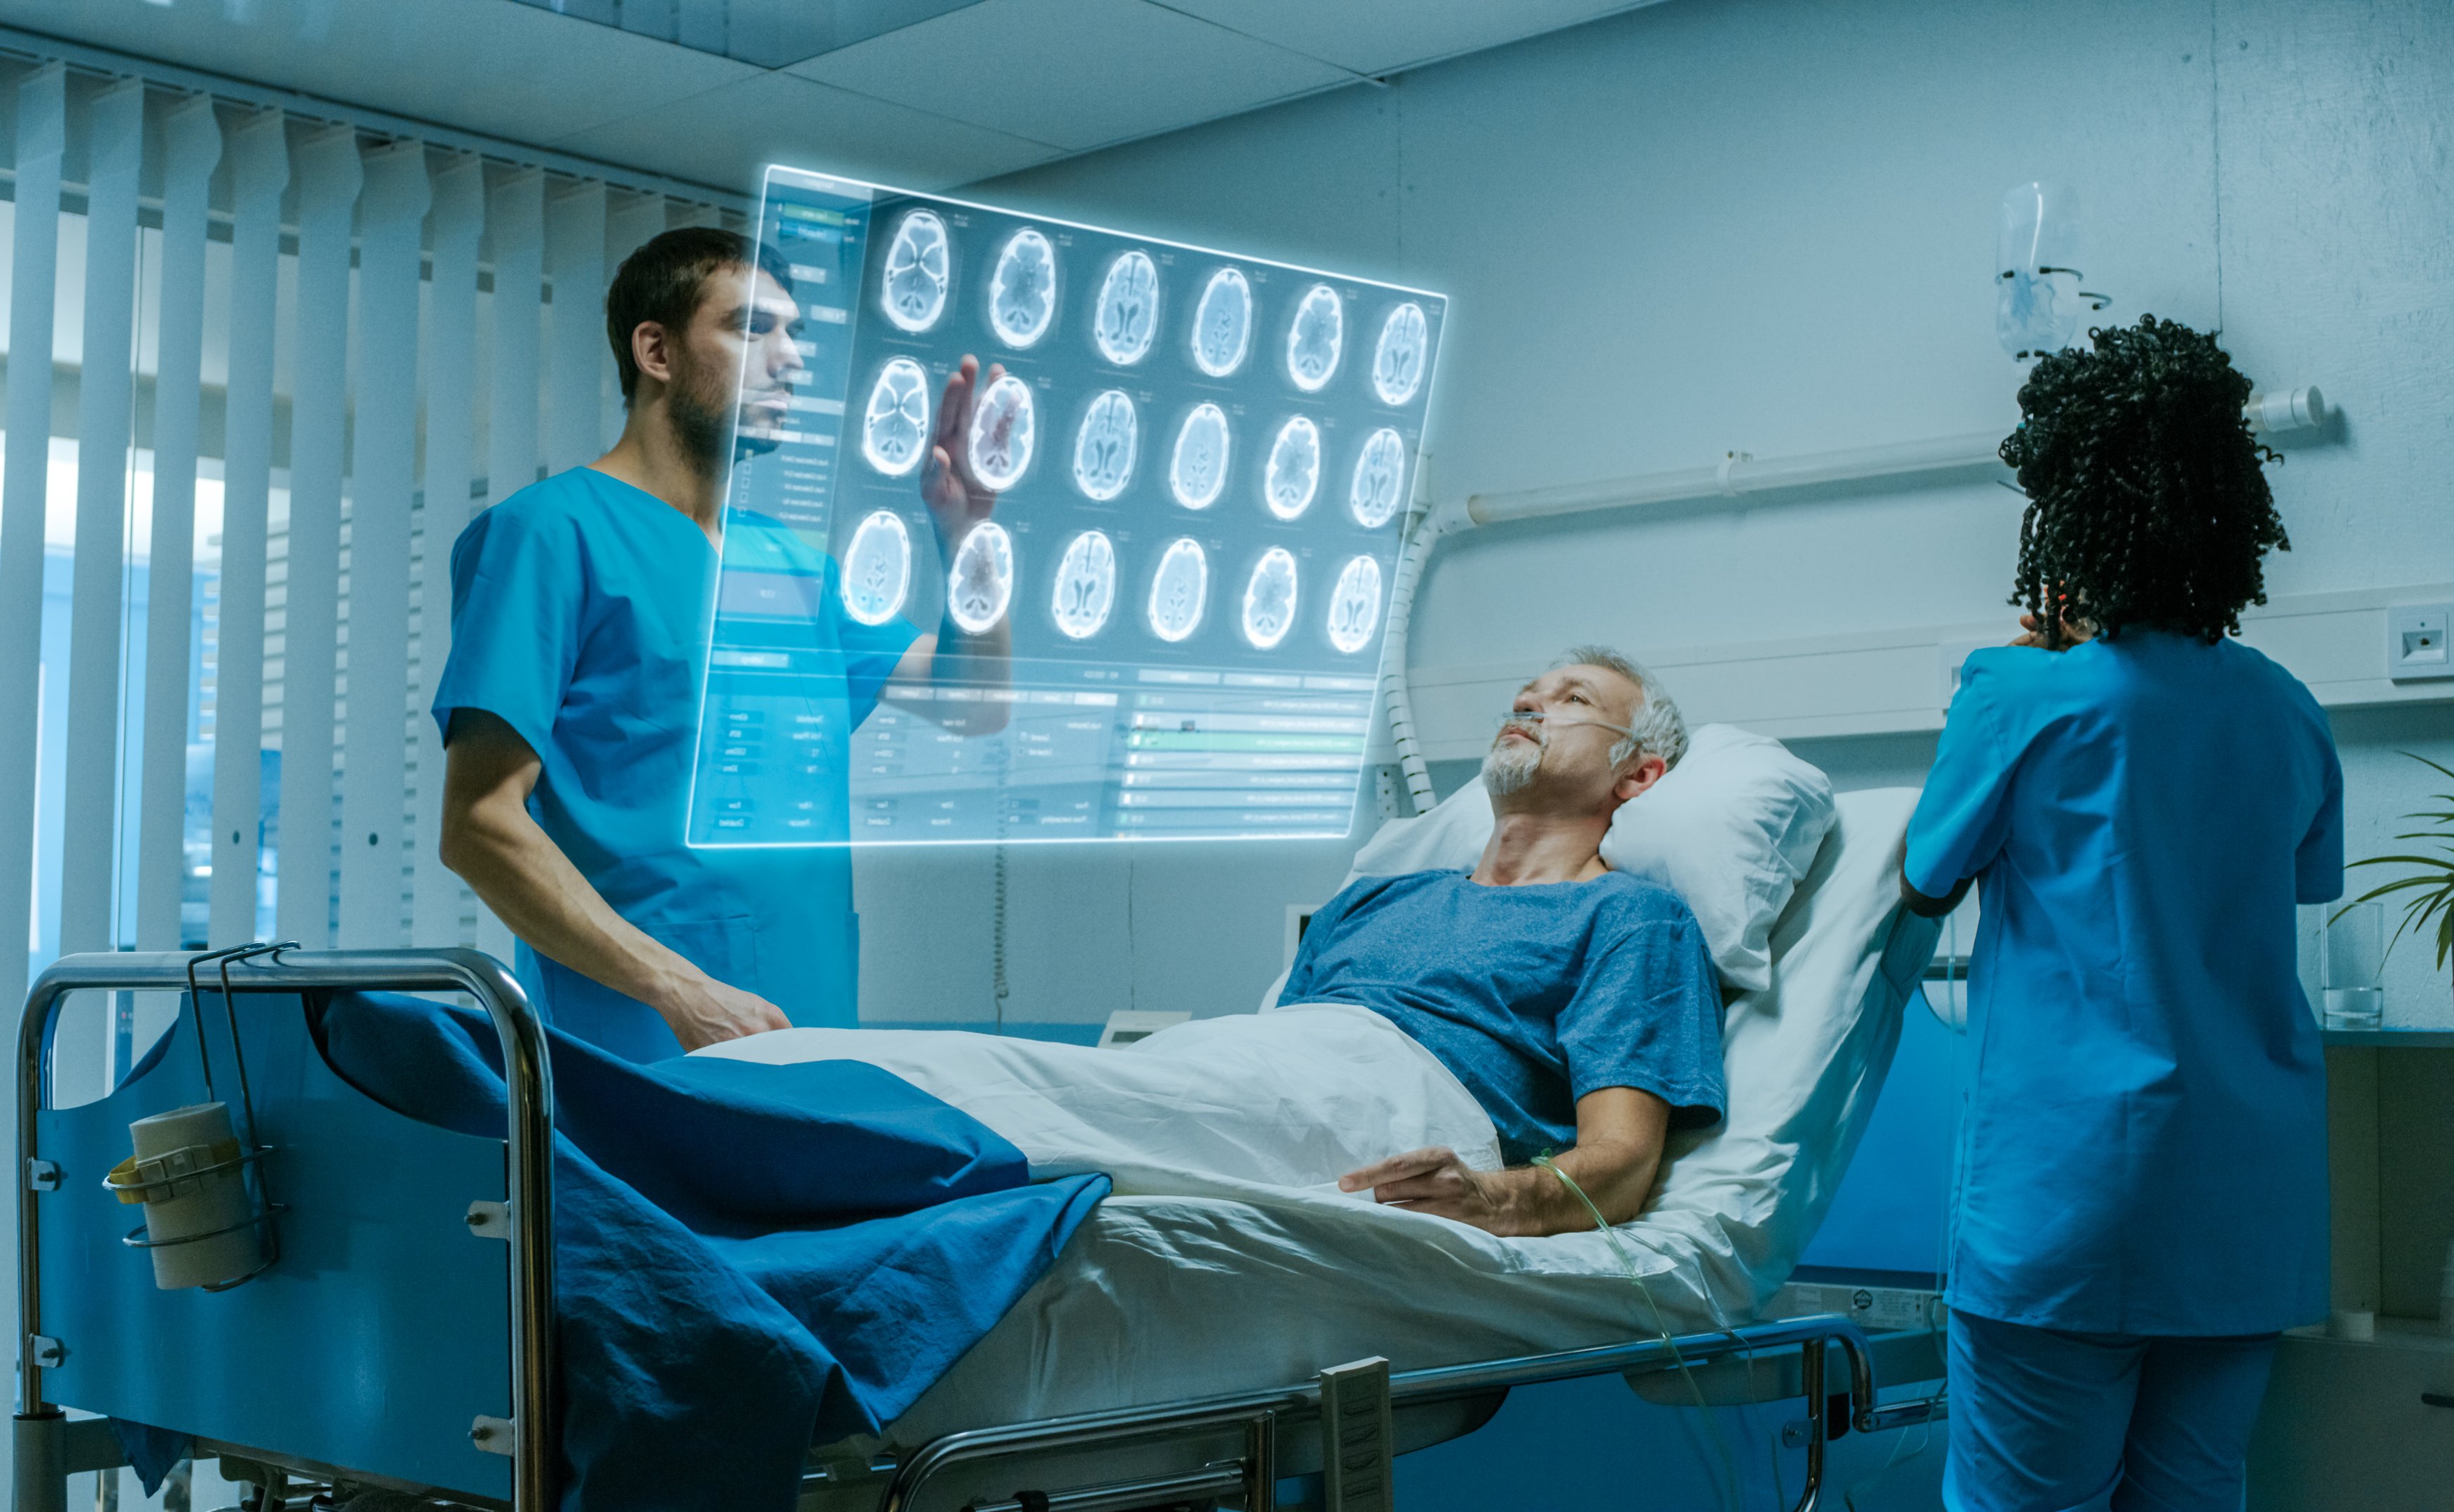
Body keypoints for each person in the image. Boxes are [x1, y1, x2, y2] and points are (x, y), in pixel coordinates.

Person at [708, 648, 1728, 1240]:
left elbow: (1621, 1162)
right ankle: (750, 1106)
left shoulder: (1631, 919)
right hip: (1269, 1064)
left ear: (1637, 776)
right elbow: (1258, 1079)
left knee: (1019, 1097)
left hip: (1409, 1104)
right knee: (1093, 1090)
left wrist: (1492, 1198)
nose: (1530, 703)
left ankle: (741, 1107)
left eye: (1572, 700)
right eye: (1527, 692)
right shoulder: (1376, 899)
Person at [1898, 317, 2343, 1512]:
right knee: (2195, 1496)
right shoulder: (2288, 711)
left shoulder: (2017, 693)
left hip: (2069, 1195)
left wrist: (2031, 665)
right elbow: (2292, 886)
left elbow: (1925, 877)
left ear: (2068, 512)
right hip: (2244, 1197)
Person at [435, 228, 1012, 1060]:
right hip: (640, 1044)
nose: (791, 358)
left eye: (795, 333)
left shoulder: (794, 567)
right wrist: (680, 989)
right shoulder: (549, 535)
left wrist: (969, 538)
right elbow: (479, 824)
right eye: (751, 328)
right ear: (657, 352)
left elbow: (976, 704)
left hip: (810, 1027)